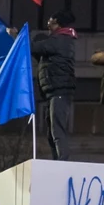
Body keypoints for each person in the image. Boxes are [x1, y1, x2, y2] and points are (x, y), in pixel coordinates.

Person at [30, 10, 77, 160]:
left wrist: (15, 36)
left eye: (50, 20)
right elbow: (38, 52)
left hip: (59, 92)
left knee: (57, 130)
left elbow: (34, 47)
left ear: (56, 21)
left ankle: (62, 162)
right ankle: (57, 160)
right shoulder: (57, 40)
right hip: (53, 93)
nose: (47, 23)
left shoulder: (60, 40)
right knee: (52, 132)